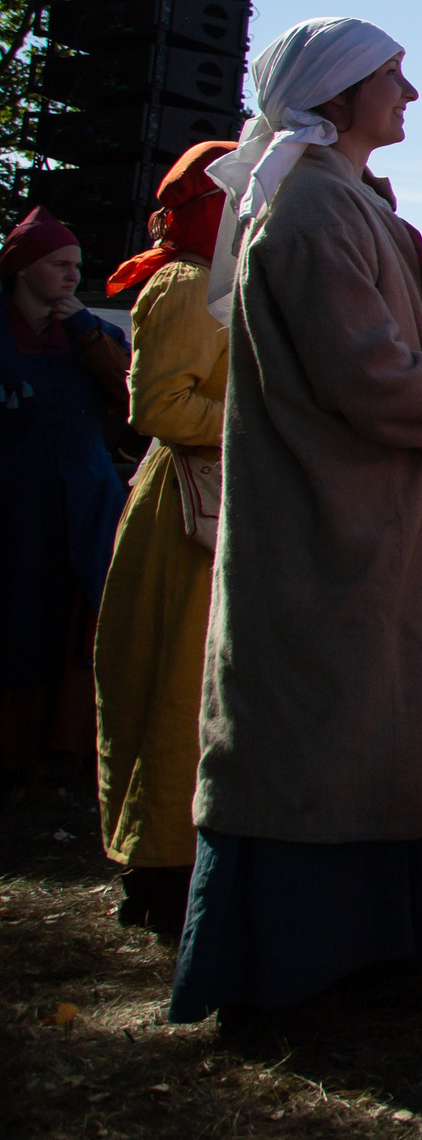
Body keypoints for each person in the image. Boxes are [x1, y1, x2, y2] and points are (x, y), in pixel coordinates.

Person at [176, 17, 422, 1028]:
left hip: (372, 516)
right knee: (330, 726)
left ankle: (381, 945)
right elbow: (366, 375)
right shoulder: (314, 211)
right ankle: (308, 959)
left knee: (371, 726)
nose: (409, 95)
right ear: (337, 93)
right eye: (392, 79)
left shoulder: (336, 200)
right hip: (331, 523)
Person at [92, 142, 235, 940]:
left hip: (213, 503)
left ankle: (181, 858)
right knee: (173, 685)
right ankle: (158, 866)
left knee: (200, 688)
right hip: (182, 509)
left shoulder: (215, 284)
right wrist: (260, 421)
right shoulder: (183, 286)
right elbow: (159, 408)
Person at [1, 205, 130, 788]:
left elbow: (133, 399)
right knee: (18, 620)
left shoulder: (89, 334)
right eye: (58, 264)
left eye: (76, 264)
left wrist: (86, 333)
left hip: (84, 501)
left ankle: (70, 750)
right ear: (24, 269)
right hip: (16, 503)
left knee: (81, 623)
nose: (73, 275)